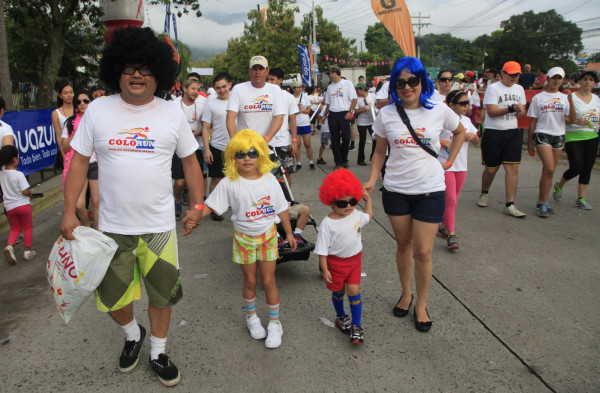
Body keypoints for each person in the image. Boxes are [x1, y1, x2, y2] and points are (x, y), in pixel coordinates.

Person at [60, 27, 205, 387]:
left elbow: (190, 162)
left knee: (162, 295)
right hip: (112, 228)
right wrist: (67, 212)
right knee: (110, 298)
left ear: (159, 73)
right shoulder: (97, 109)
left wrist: (198, 205)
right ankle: (131, 334)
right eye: (129, 67)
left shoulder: (172, 114)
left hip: (159, 228)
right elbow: (78, 162)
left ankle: (158, 350)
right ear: (116, 72)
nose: (137, 74)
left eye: (145, 67)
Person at [363, 56, 465, 333]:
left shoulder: (439, 109)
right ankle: (406, 293)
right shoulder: (387, 114)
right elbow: (380, 152)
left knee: (423, 251)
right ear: (394, 86)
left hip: (430, 190)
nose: (407, 87)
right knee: (403, 245)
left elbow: (460, 131)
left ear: (422, 81)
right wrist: (372, 180)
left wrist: (449, 162)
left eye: (412, 81)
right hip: (396, 190)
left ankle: (421, 303)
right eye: (400, 83)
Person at [191, 129, 297, 349]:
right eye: (240, 154)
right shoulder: (229, 183)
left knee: (268, 281)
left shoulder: (270, 180)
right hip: (243, 238)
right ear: (232, 158)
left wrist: (288, 233)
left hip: (268, 235)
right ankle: (252, 318)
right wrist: (194, 214)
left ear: (261, 154)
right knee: (250, 281)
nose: (247, 158)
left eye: (252, 152)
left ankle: (275, 323)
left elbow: (281, 209)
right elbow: (211, 206)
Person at [315, 169, 372, 344]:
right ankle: (340, 316)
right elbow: (322, 250)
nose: (348, 206)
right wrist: (325, 269)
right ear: (331, 202)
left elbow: (368, 217)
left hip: (355, 261)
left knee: (354, 291)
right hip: (336, 263)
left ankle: (357, 326)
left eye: (353, 201)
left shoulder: (355, 214)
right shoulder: (328, 224)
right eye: (342, 203)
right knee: (338, 291)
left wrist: (368, 201)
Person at [478, 61, 527, 218]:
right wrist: (511, 108)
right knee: (491, 169)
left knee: (513, 168)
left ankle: (510, 204)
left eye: (517, 75)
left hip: (512, 132)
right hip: (494, 132)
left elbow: (522, 112)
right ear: (503, 74)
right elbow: (491, 112)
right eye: (512, 74)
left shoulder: (519, 89)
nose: (514, 78)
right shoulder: (493, 88)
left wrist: (519, 111)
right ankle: (484, 192)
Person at [527, 67, 575, 217]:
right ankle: (542, 201)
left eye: (559, 78)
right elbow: (532, 121)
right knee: (549, 168)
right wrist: (530, 143)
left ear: (563, 80)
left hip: (559, 135)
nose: (556, 81)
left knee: (549, 171)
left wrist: (571, 102)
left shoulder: (564, 98)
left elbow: (572, 120)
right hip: (543, 134)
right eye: (553, 77)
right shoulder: (538, 97)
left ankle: (543, 201)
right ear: (548, 78)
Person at [436, 90, 480, 249]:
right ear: (451, 105)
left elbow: (477, 141)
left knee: (453, 201)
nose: (466, 106)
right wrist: (443, 143)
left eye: (467, 103)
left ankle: (442, 226)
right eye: (462, 103)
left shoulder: (467, 121)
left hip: (461, 166)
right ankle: (452, 235)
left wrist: (471, 136)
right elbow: (430, 138)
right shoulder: (442, 121)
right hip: (445, 165)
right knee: (451, 200)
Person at [552, 70, 600, 210]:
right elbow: (562, 117)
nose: (587, 82)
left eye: (591, 79)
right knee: (576, 167)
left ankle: (581, 198)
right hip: (573, 136)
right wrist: (576, 121)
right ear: (579, 82)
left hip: (591, 135)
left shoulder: (596, 99)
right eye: (585, 79)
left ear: (594, 83)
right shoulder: (570, 97)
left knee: (587, 168)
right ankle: (559, 185)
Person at [62, 89, 99, 229]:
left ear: (91, 102)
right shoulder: (70, 123)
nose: (82, 104)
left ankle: (99, 234)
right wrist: (76, 133)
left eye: (85, 101)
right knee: (79, 205)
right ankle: (87, 227)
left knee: (97, 203)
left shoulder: (98, 120)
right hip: (78, 164)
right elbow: (65, 147)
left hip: (95, 163)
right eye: (78, 102)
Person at [226, 55, 285, 141]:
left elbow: (279, 118)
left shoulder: (275, 89)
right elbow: (230, 117)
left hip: (268, 145)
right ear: (249, 71)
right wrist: (234, 141)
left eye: (261, 68)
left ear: (267, 71)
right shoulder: (238, 89)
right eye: (254, 69)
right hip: (244, 145)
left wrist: (266, 139)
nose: (257, 72)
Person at [173, 78, 207, 219]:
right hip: (178, 148)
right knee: (180, 182)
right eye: (193, 88)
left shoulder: (202, 104)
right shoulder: (174, 105)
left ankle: (194, 212)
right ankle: (178, 199)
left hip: (196, 147)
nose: (195, 92)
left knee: (194, 181)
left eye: (197, 89)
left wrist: (198, 133)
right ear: (185, 89)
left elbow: (206, 125)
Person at [202, 72, 232, 221]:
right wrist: (207, 150)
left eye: (224, 86)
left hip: (236, 146)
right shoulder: (211, 102)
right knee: (217, 179)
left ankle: (235, 203)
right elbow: (206, 128)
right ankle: (214, 208)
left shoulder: (237, 99)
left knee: (237, 178)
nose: (221, 90)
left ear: (230, 85)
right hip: (217, 146)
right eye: (218, 88)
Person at [0, 145, 36, 265]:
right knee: (27, 227)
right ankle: (27, 252)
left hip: (9, 207)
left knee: (15, 228)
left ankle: (10, 246)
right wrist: (30, 194)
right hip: (22, 205)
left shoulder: (1, 174)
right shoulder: (19, 175)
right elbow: (25, 191)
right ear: (15, 159)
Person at [266, 67, 299, 185]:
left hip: (283, 142)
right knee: (267, 175)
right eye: (268, 79)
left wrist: (294, 140)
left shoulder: (288, 97)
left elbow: (293, 120)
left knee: (286, 173)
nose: (269, 82)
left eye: (272, 79)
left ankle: (287, 200)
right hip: (267, 143)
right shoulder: (263, 96)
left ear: (280, 80)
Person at [321, 67, 357, 168]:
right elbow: (328, 104)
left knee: (346, 138)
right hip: (333, 114)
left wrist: (350, 111)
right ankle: (338, 162)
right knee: (335, 140)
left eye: (329, 73)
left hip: (344, 113)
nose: (328, 76)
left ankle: (344, 159)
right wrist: (324, 116)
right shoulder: (330, 87)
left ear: (335, 73)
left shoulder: (347, 84)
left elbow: (354, 99)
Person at [51, 82, 74, 169]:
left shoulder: (79, 109)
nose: (69, 95)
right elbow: (59, 136)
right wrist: (64, 156)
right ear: (60, 96)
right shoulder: (56, 113)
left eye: (71, 92)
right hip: (67, 148)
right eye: (66, 93)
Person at [292, 81, 314, 170]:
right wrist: (295, 109)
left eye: (300, 87)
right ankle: (298, 163)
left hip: (305, 123)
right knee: (297, 144)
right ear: (293, 89)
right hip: (296, 124)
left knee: (307, 144)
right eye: (297, 87)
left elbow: (309, 111)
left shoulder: (305, 96)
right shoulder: (291, 98)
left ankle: (311, 161)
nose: (299, 89)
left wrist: (300, 110)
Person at [354, 82, 375, 166]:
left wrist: (374, 109)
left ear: (363, 89)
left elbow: (378, 104)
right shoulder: (357, 99)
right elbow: (355, 111)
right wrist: (362, 110)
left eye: (358, 90)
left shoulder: (372, 96)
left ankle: (373, 156)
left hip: (372, 121)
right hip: (362, 122)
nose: (357, 92)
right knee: (362, 140)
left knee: (375, 139)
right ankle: (360, 159)